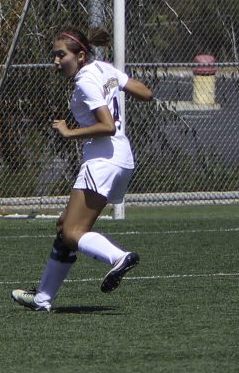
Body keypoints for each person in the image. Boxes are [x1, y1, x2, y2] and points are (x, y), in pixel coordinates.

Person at [11, 26, 153, 313]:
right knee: (65, 228)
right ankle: (42, 298)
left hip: (102, 159)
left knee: (73, 231)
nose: (55, 61)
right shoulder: (102, 68)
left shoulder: (86, 80)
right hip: (121, 158)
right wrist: (115, 83)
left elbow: (107, 126)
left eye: (61, 55)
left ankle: (118, 257)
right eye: (54, 54)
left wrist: (68, 132)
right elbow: (146, 93)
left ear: (80, 55)